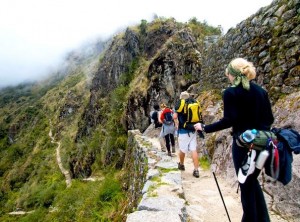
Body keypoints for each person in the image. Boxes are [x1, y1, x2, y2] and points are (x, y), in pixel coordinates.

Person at [195, 58, 274, 221]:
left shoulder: (230, 92)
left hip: (243, 144)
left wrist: (205, 128)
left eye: (228, 75)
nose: (228, 78)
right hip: (262, 142)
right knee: (252, 181)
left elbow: (229, 120)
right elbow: (269, 119)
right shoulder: (261, 91)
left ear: (232, 74)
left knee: (245, 184)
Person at [174, 91, 200, 178]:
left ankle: (181, 164)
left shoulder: (179, 105)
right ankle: (196, 170)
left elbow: (174, 117)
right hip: (193, 130)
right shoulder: (192, 103)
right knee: (193, 150)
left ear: (181, 98)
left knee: (182, 149)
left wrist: (176, 123)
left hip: (183, 131)